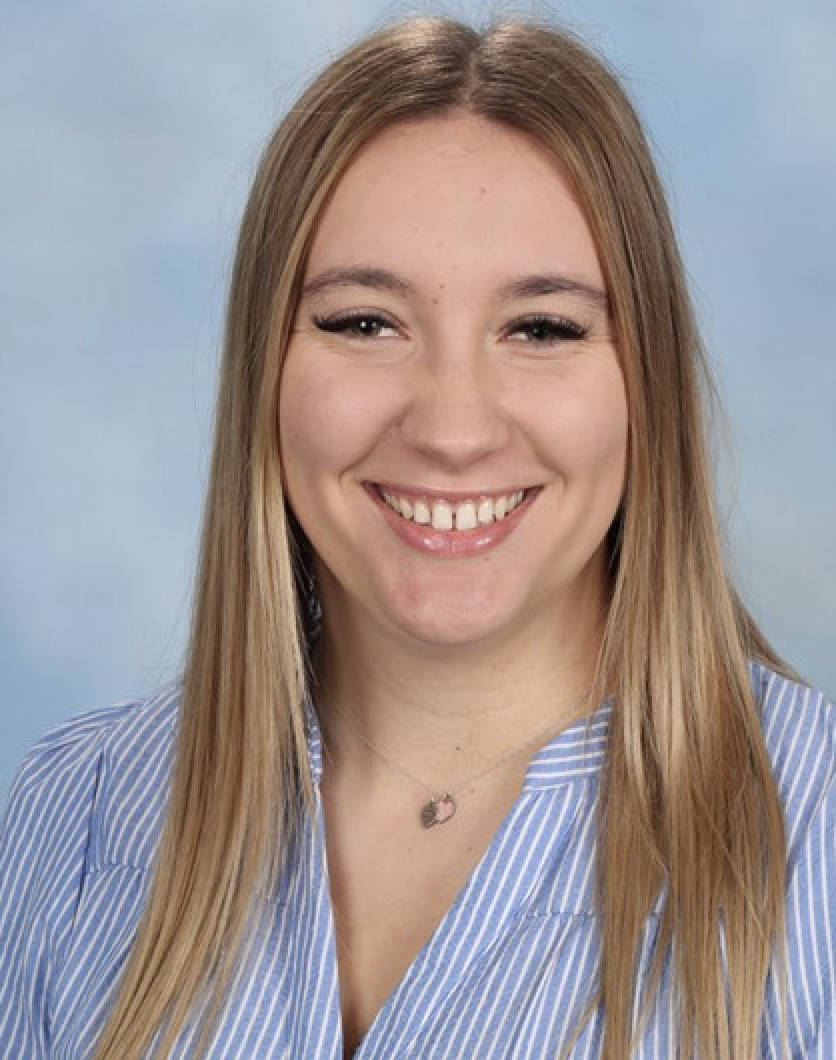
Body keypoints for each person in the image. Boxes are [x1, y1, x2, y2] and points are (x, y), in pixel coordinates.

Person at [0, 15, 833, 1060]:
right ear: (266, 374)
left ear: (644, 383)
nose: (450, 428)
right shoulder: (78, 811)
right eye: (363, 323)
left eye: (541, 328)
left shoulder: (817, 845)